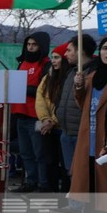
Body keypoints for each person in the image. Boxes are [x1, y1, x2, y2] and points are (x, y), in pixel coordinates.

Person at [68, 37, 107, 213]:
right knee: (89, 179)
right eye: (105, 48)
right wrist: (78, 87)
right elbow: (82, 104)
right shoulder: (92, 77)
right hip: (89, 137)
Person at [54, 34, 97, 213]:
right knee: (70, 170)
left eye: (70, 50)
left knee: (80, 170)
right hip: (66, 129)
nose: (66, 54)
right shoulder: (72, 72)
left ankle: (83, 208)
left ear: (81, 51)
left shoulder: (93, 73)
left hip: (80, 130)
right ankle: (75, 204)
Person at [11, 32, 50, 193]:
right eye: (28, 44)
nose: (31, 47)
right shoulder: (22, 63)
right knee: (26, 152)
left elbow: (45, 90)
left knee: (40, 152)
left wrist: (23, 88)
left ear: (41, 46)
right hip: (20, 114)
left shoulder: (46, 64)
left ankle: (43, 183)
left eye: (34, 45)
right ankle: (30, 181)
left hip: (37, 116)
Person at [35, 43, 70, 192]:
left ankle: (65, 194)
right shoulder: (48, 77)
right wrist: (45, 119)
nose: (53, 61)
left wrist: (53, 121)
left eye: (56, 58)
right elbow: (40, 97)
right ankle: (52, 191)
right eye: (52, 58)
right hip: (48, 126)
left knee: (65, 163)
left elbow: (66, 103)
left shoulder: (69, 77)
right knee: (49, 161)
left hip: (63, 128)